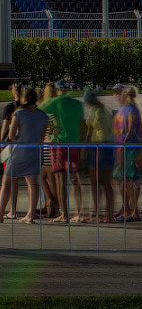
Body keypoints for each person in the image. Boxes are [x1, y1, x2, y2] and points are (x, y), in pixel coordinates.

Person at [0, 87, 48, 224]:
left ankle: (0, 214)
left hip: (20, 151)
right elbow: (42, 136)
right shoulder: (43, 116)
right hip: (35, 151)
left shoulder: (18, 113)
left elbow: (11, 135)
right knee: (34, 183)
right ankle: (31, 214)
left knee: (7, 181)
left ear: (23, 98)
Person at [39, 80, 85, 222]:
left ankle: (64, 213)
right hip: (75, 143)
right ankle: (79, 212)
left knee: (60, 180)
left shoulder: (54, 102)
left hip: (59, 143)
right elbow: (81, 124)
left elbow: (40, 108)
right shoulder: (78, 103)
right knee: (74, 179)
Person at [0, 82, 24, 220]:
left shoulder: (10, 107)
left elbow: (5, 128)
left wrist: (1, 145)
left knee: (8, 179)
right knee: (16, 180)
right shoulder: (27, 108)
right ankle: (14, 210)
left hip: (10, 145)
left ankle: (8, 211)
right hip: (23, 144)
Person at [82, 87, 115, 223]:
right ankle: (110, 214)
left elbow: (89, 131)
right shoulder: (106, 110)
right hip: (109, 145)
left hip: (97, 146)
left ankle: (96, 214)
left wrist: (83, 150)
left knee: (95, 183)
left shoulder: (93, 110)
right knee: (107, 182)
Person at [112, 84, 142, 221]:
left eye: (122, 93)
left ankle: (134, 211)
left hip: (129, 148)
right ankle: (127, 208)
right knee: (121, 178)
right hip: (123, 147)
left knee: (131, 179)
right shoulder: (126, 109)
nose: (119, 95)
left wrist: (123, 145)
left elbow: (131, 130)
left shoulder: (132, 110)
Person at [38, 82, 60, 219]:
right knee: (48, 177)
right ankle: (51, 203)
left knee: (45, 176)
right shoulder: (57, 107)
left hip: (47, 144)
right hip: (51, 144)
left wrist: (49, 136)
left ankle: (52, 203)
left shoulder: (45, 108)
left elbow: (52, 127)